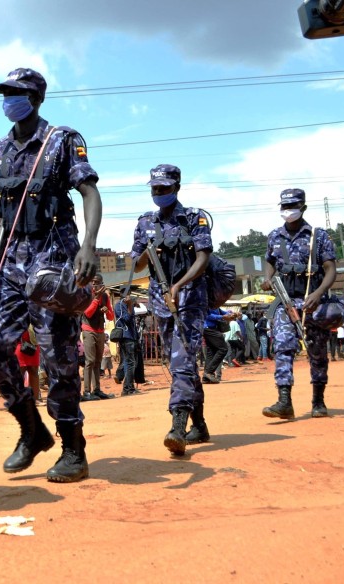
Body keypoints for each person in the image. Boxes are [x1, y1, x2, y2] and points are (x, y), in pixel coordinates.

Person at [0, 68, 102, 483]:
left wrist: (89, 246)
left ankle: (73, 447)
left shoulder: (62, 140)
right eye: (5, 93)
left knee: (58, 356)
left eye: (16, 93)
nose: (9, 100)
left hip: (53, 258)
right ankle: (31, 430)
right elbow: (0, 211)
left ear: (35, 97)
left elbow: (89, 192)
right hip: (12, 260)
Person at [131, 164, 212, 455]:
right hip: (160, 303)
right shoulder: (144, 223)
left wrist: (181, 284)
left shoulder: (193, 218)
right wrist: (147, 250)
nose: (158, 193)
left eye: (164, 188)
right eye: (154, 188)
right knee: (183, 362)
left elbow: (203, 258)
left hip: (190, 299)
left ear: (176, 187)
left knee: (181, 361)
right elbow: (137, 264)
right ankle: (199, 424)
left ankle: (178, 425)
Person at [260, 188, 337, 419]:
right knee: (283, 345)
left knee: (317, 351)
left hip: (313, 301)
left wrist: (319, 292)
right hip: (285, 301)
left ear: (303, 207)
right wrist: (267, 279)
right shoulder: (275, 236)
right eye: (284, 207)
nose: (287, 211)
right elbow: (270, 263)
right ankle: (284, 401)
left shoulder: (317, 235)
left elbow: (330, 269)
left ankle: (318, 400)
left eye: (292, 206)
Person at [80, 275, 115, 401]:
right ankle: (87, 391)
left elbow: (111, 317)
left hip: (100, 330)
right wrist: (96, 298)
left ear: (101, 284)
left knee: (98, 362)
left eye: (97, 282)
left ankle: (97, 389)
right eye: (92, 282)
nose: (94, 285)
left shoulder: (105, 296)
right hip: (88, 329)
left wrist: (107, 311)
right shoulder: (87, 294)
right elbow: (87, 313)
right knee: (89, 361)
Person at [114, 295, 143, 396]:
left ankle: (127, 388)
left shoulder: (128, 306)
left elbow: (132, 323)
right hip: (126, 337)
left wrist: (137, 339)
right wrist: (130, 305)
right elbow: (126, 318)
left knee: (131, 363)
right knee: (130, 363)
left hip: (132, 337)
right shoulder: (119, 306)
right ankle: (129, 389)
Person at [202, 307, 235, 383]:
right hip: (208, 328)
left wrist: (231, 314)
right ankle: (209, 372)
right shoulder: (206, 303)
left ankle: (206, 378)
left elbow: (223, 312)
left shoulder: (216, 305)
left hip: (212, 328)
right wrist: (222, 317)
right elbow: (207, 315)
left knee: (211, 352)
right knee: (223, 349)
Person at [14, 326, 42, 403]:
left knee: (34, 371)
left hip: (33, 343)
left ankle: (35, 399)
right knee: (20, 372)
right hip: (20, 343)